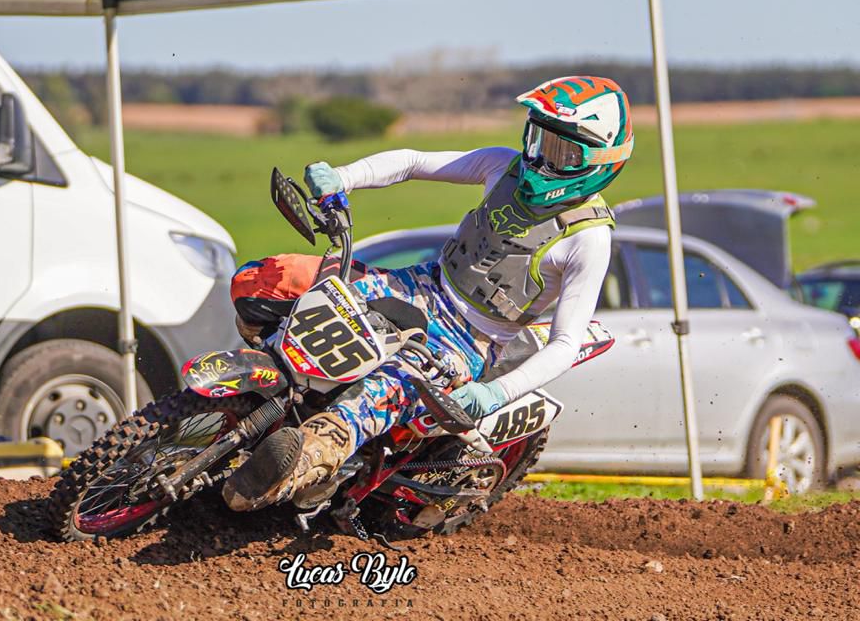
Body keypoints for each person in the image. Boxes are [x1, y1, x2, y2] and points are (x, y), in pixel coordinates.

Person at [222, 76, 635, 512]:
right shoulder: (503, 166)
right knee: (270, 282)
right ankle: (258, 398)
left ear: (599, 160)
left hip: (466, 341)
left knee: (372, 399)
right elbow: (414, 161)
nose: (541, 158)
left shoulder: (588, 238)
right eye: (539, 140)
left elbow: (566, 342)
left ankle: (303, 465)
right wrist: (342, 177)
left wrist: (497, 393)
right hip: (417, 285)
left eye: (562, 151)